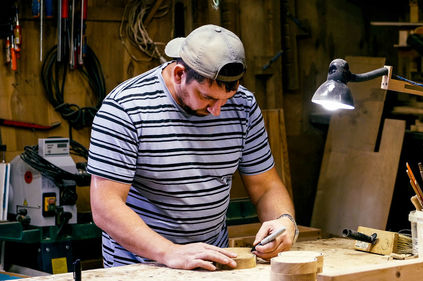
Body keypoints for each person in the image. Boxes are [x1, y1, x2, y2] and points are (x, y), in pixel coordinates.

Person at [87, 24, 298, 270]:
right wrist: (170, 252)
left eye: (225, 100)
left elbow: (266, 187)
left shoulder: (243, 106)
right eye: (207, 97)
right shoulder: (125, 109)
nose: (217, 111)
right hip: (140, 267)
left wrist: (284, 221)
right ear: (179, 74)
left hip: (211, 263)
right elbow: (105, 206)